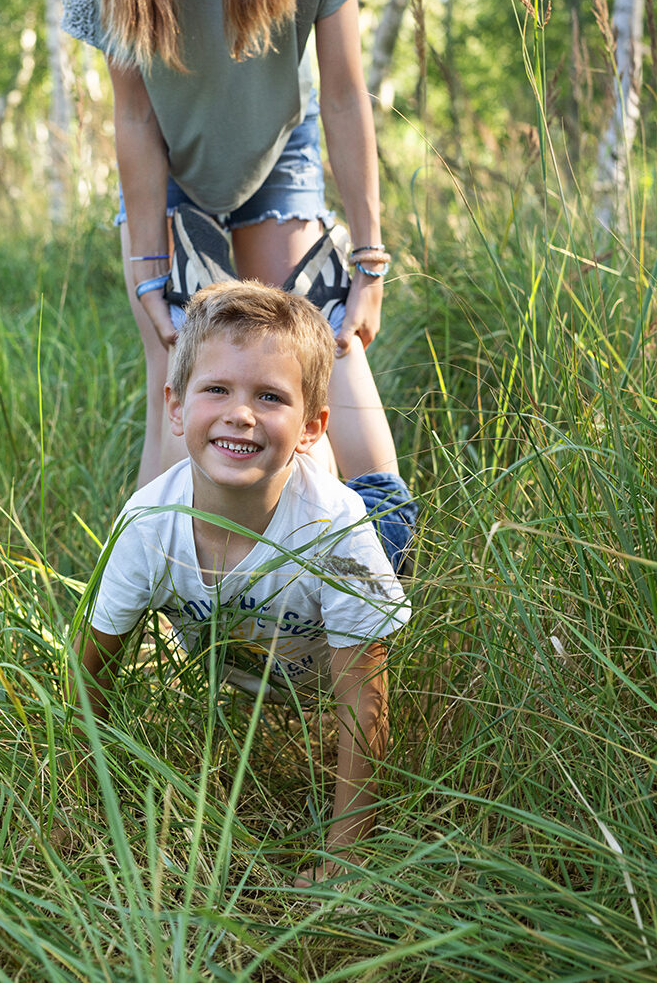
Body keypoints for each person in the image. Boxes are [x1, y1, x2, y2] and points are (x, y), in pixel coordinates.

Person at [61, 0, 414, 544]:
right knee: (179, 369)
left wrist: (367, 253)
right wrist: (148, 265)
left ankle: (375, 547)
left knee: (320, 343)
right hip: (171, 173)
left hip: (276, 149)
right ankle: (160, 591)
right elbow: (134, 117)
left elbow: (339, 91)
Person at [76, 283, 410, 883]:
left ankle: (342, 322)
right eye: (216, 389)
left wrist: (345, 855)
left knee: (383, 494)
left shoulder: (339, 532)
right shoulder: (146, 526)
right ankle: (298, 373)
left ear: (312, 426)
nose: (239, 411)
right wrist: (78, 799)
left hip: (356, 522)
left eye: (269, 396)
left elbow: (363, 697)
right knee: (279, 461)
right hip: (274, 560)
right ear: (175, 408)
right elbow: (89, 668)